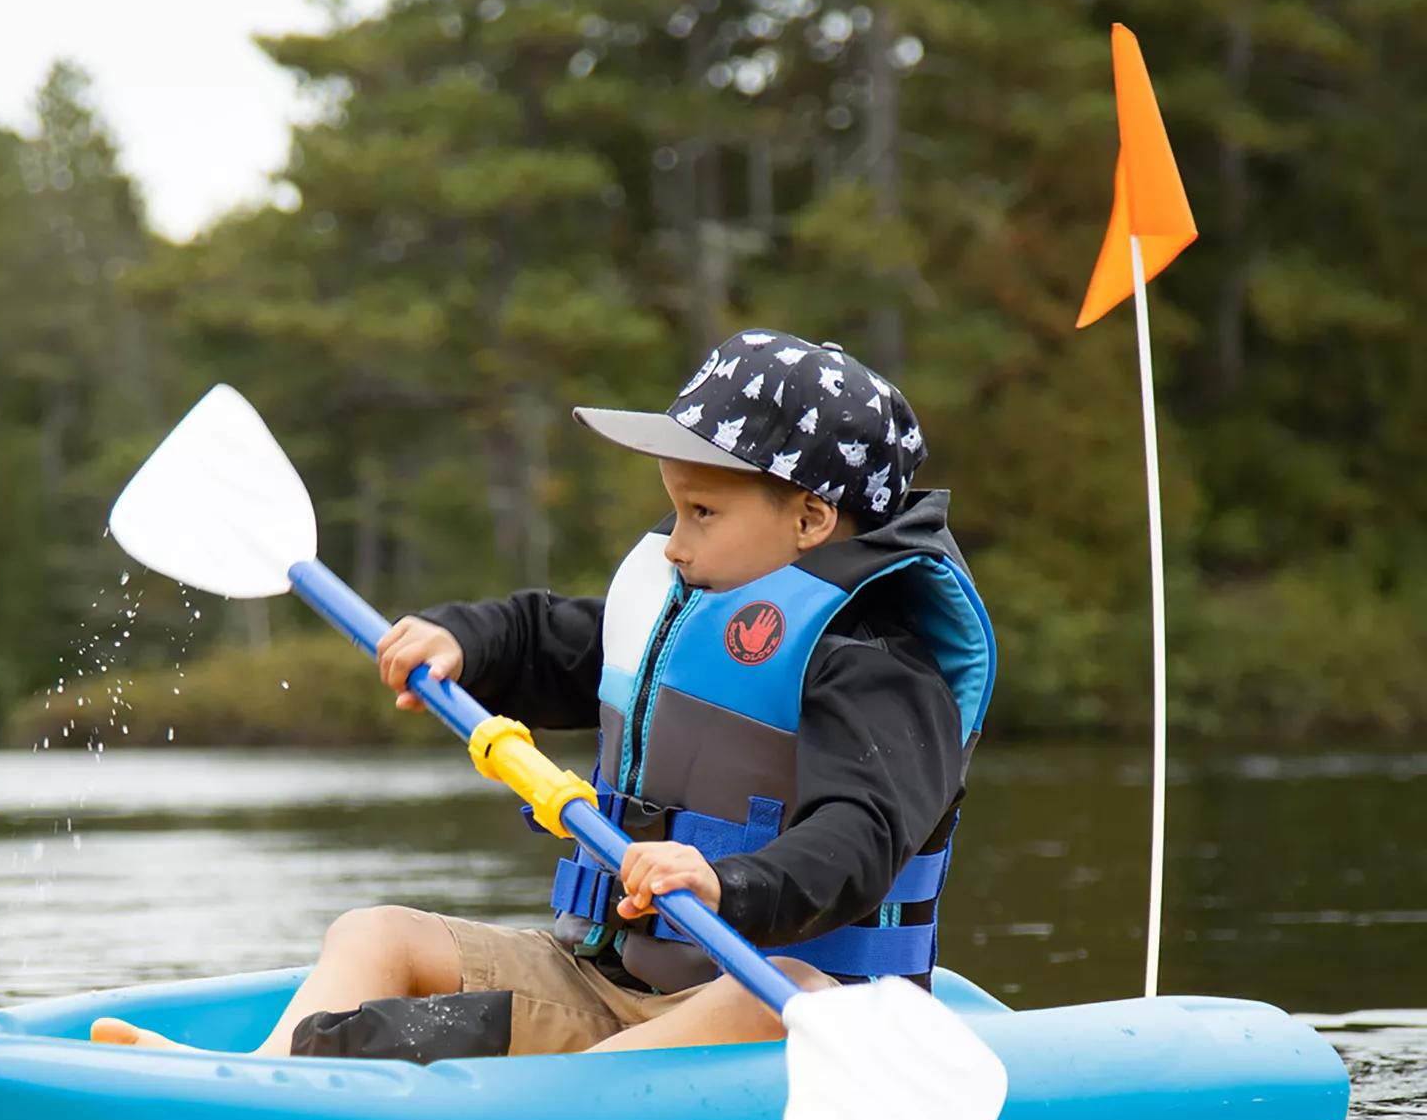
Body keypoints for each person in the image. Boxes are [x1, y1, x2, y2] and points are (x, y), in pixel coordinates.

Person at [93, 329, 995, 1060]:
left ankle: (546, 1102)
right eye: (675, 509)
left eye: (703, 514)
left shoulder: (882, 663)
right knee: (377, 933)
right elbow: (544, 636)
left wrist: (727, 881)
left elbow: (862, 838)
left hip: (766, 1006)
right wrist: (461, 640)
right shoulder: (683, 608)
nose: (675, 544)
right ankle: (268, 1078)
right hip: (607, 983)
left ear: (810, 518)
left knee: (797, 992)